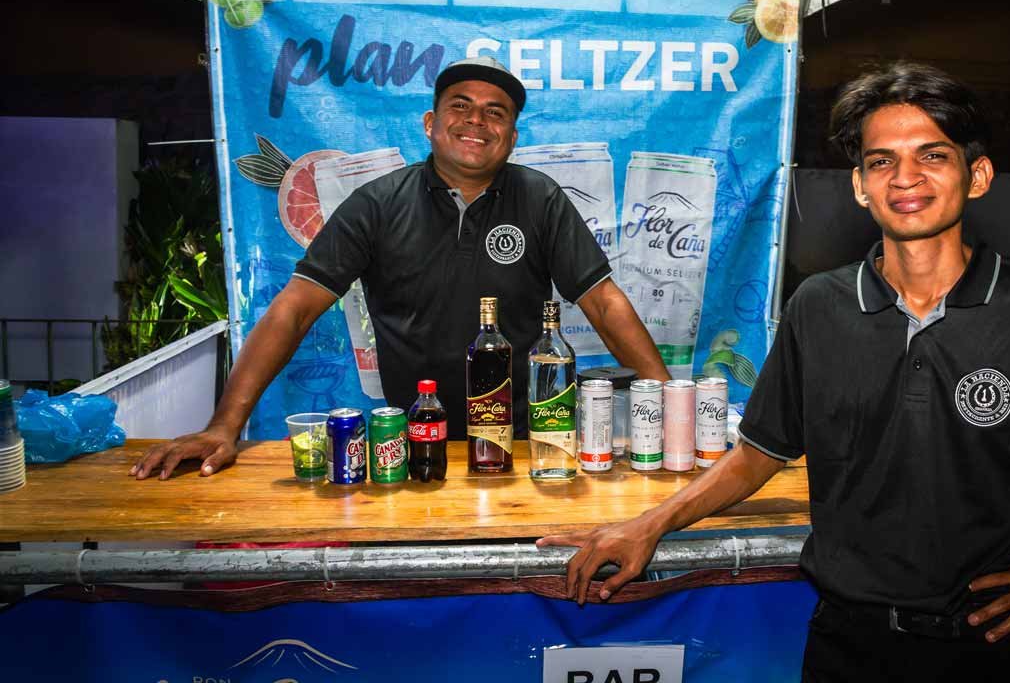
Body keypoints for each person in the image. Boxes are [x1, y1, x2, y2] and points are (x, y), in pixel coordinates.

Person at [538, 62, 1010, 682]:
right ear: (859, 185)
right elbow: (760, 453)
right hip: (846, 644)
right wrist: (649, 524)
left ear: (977, 176)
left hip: (994, 644)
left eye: (932, 155)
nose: (904, 177)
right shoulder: (819, 306)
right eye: (882, 160)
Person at [132, 56, 669, 479]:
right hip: (413, 441)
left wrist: (667, 404)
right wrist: (224, 427)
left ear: (512, 137)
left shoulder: (540, 198)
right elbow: (294, 308)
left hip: (529, 445)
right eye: (461, 106)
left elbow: (604, 301)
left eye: (496, 112)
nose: (477, 120)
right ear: (431, 124)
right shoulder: (378, 203)